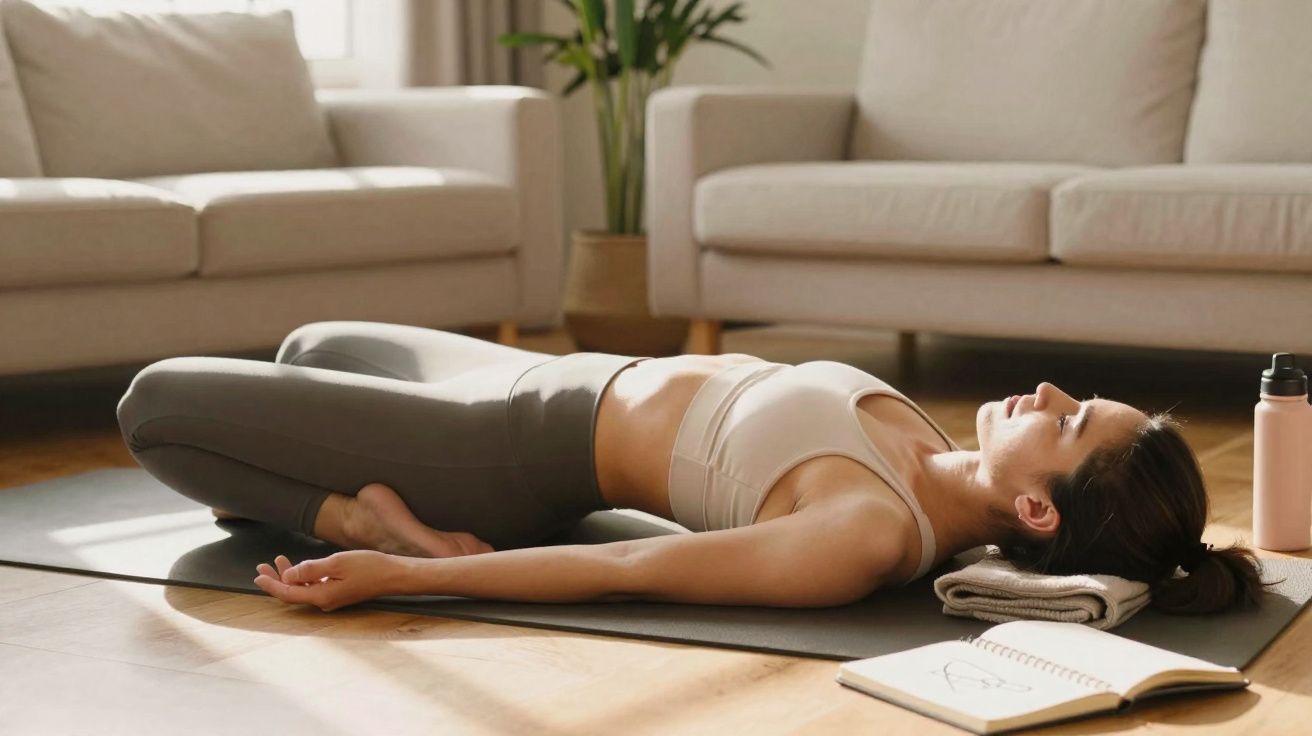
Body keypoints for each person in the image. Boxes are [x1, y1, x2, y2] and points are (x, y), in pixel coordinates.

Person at [115, 320, 1265, 615]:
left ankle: (374, 522)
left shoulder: (865, 532)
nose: (1050, 392)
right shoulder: (930, 437)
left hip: (502, 450)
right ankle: (312, 493)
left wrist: (409, 577)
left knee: (156, 407)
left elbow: (628, 571)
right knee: (309, 348)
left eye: (1067, 422)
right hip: (537, 372)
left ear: (1034, 509)